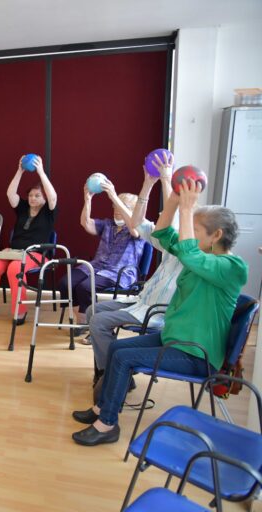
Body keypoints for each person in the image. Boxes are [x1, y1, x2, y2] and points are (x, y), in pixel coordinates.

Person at [71, 179, 248, 446]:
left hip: (196, 353)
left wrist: (188, 210)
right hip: (174, 338)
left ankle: (107, 425)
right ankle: (102, 410)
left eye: (196, 230)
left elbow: (189, 256)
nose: (190, 234)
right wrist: (175, 203)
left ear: (217, 235)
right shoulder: (200, 254)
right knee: (118, 350)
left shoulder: (231, 267)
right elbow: (162, 234)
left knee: (122, 359)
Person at [85, 153, 180, 379]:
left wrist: (167, 180)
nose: (160, 220)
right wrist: (148, 183)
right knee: (92, 310)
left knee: (98, 321)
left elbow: (170, 220)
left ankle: (112, 374)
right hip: (141, 302)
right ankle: (109, 369)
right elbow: (138, 222)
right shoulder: (163, 241)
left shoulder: (182, 247)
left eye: (163, 218)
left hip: (155, 312)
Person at [0, 155, 57, 323]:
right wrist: (19, 171)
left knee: (15, 268)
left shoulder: (48, 212)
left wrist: (41, 172)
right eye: (30, 195)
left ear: (43, 199)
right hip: (15, 252)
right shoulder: (22, 209)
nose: (32, 198)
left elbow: (53, 197)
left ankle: (20, 311)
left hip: (36, 255)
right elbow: (10, 193)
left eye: (37, 196)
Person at [58, 181, 145, 327]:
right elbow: (86, 223)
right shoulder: (108, 224)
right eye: (116, 205)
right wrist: (88, 200)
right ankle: (82, 317)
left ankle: (87, 321)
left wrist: (113, 196)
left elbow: (134, 230)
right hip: (96, 267)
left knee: (84, 287)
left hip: (118, 273)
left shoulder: (140, 227)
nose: (117, 209)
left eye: (123, 206)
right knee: (65, 283)